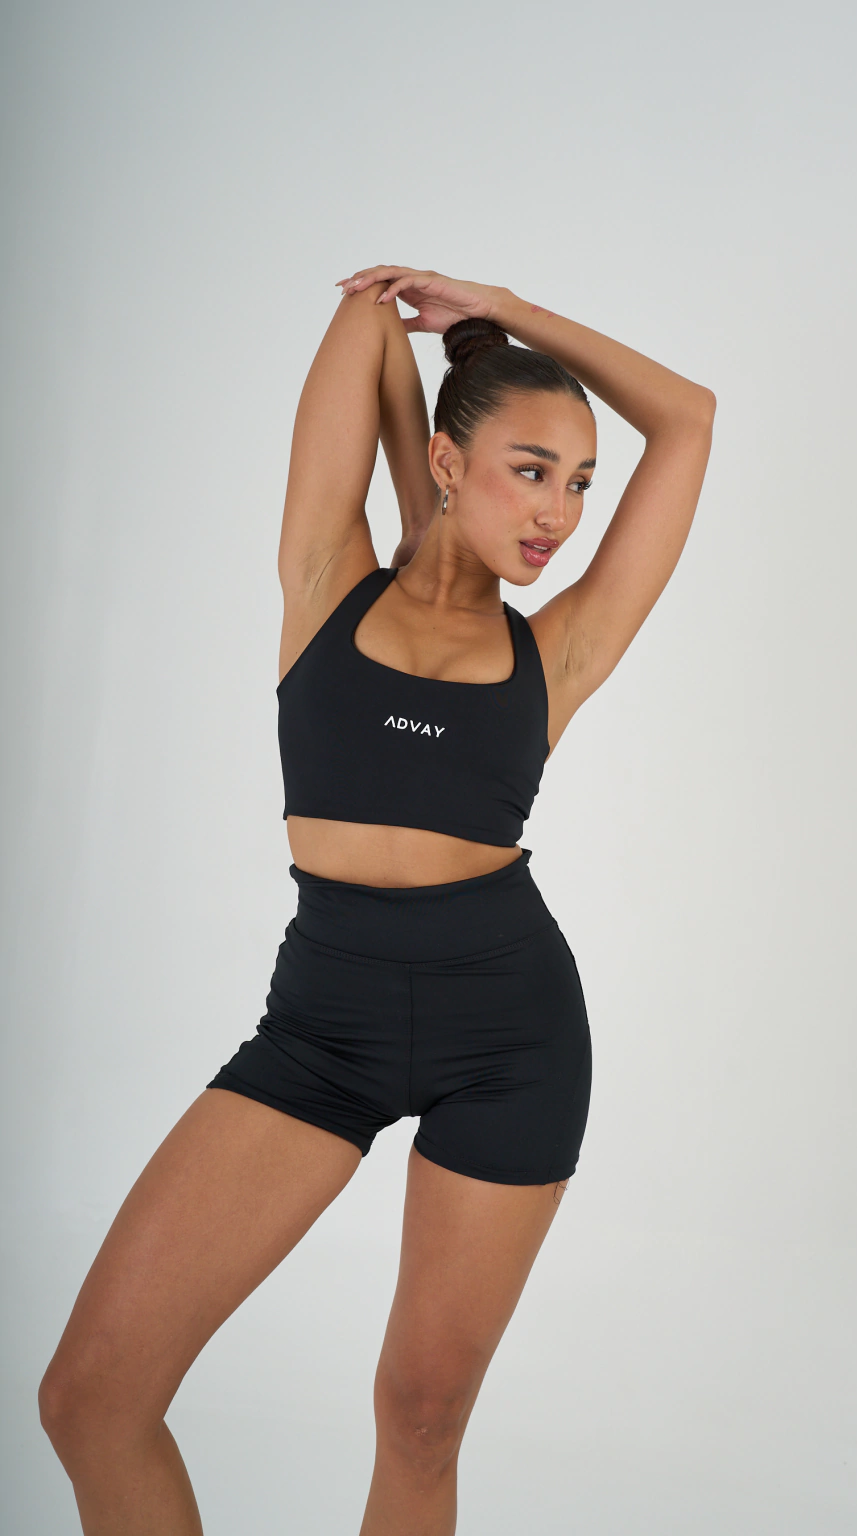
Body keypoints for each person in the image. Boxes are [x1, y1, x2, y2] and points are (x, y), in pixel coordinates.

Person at [38, 265, 716, 1535]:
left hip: (509, 1036)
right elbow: (363, 315)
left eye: (579, 482)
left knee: (420, 1419)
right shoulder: (323, 583)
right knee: (91, 1398)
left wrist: (512, 308)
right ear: (450, 462)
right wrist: (453, 347)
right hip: (322, 1029)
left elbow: (688, 417)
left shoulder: (556, 650)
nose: (560, 513)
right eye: (531, 470)